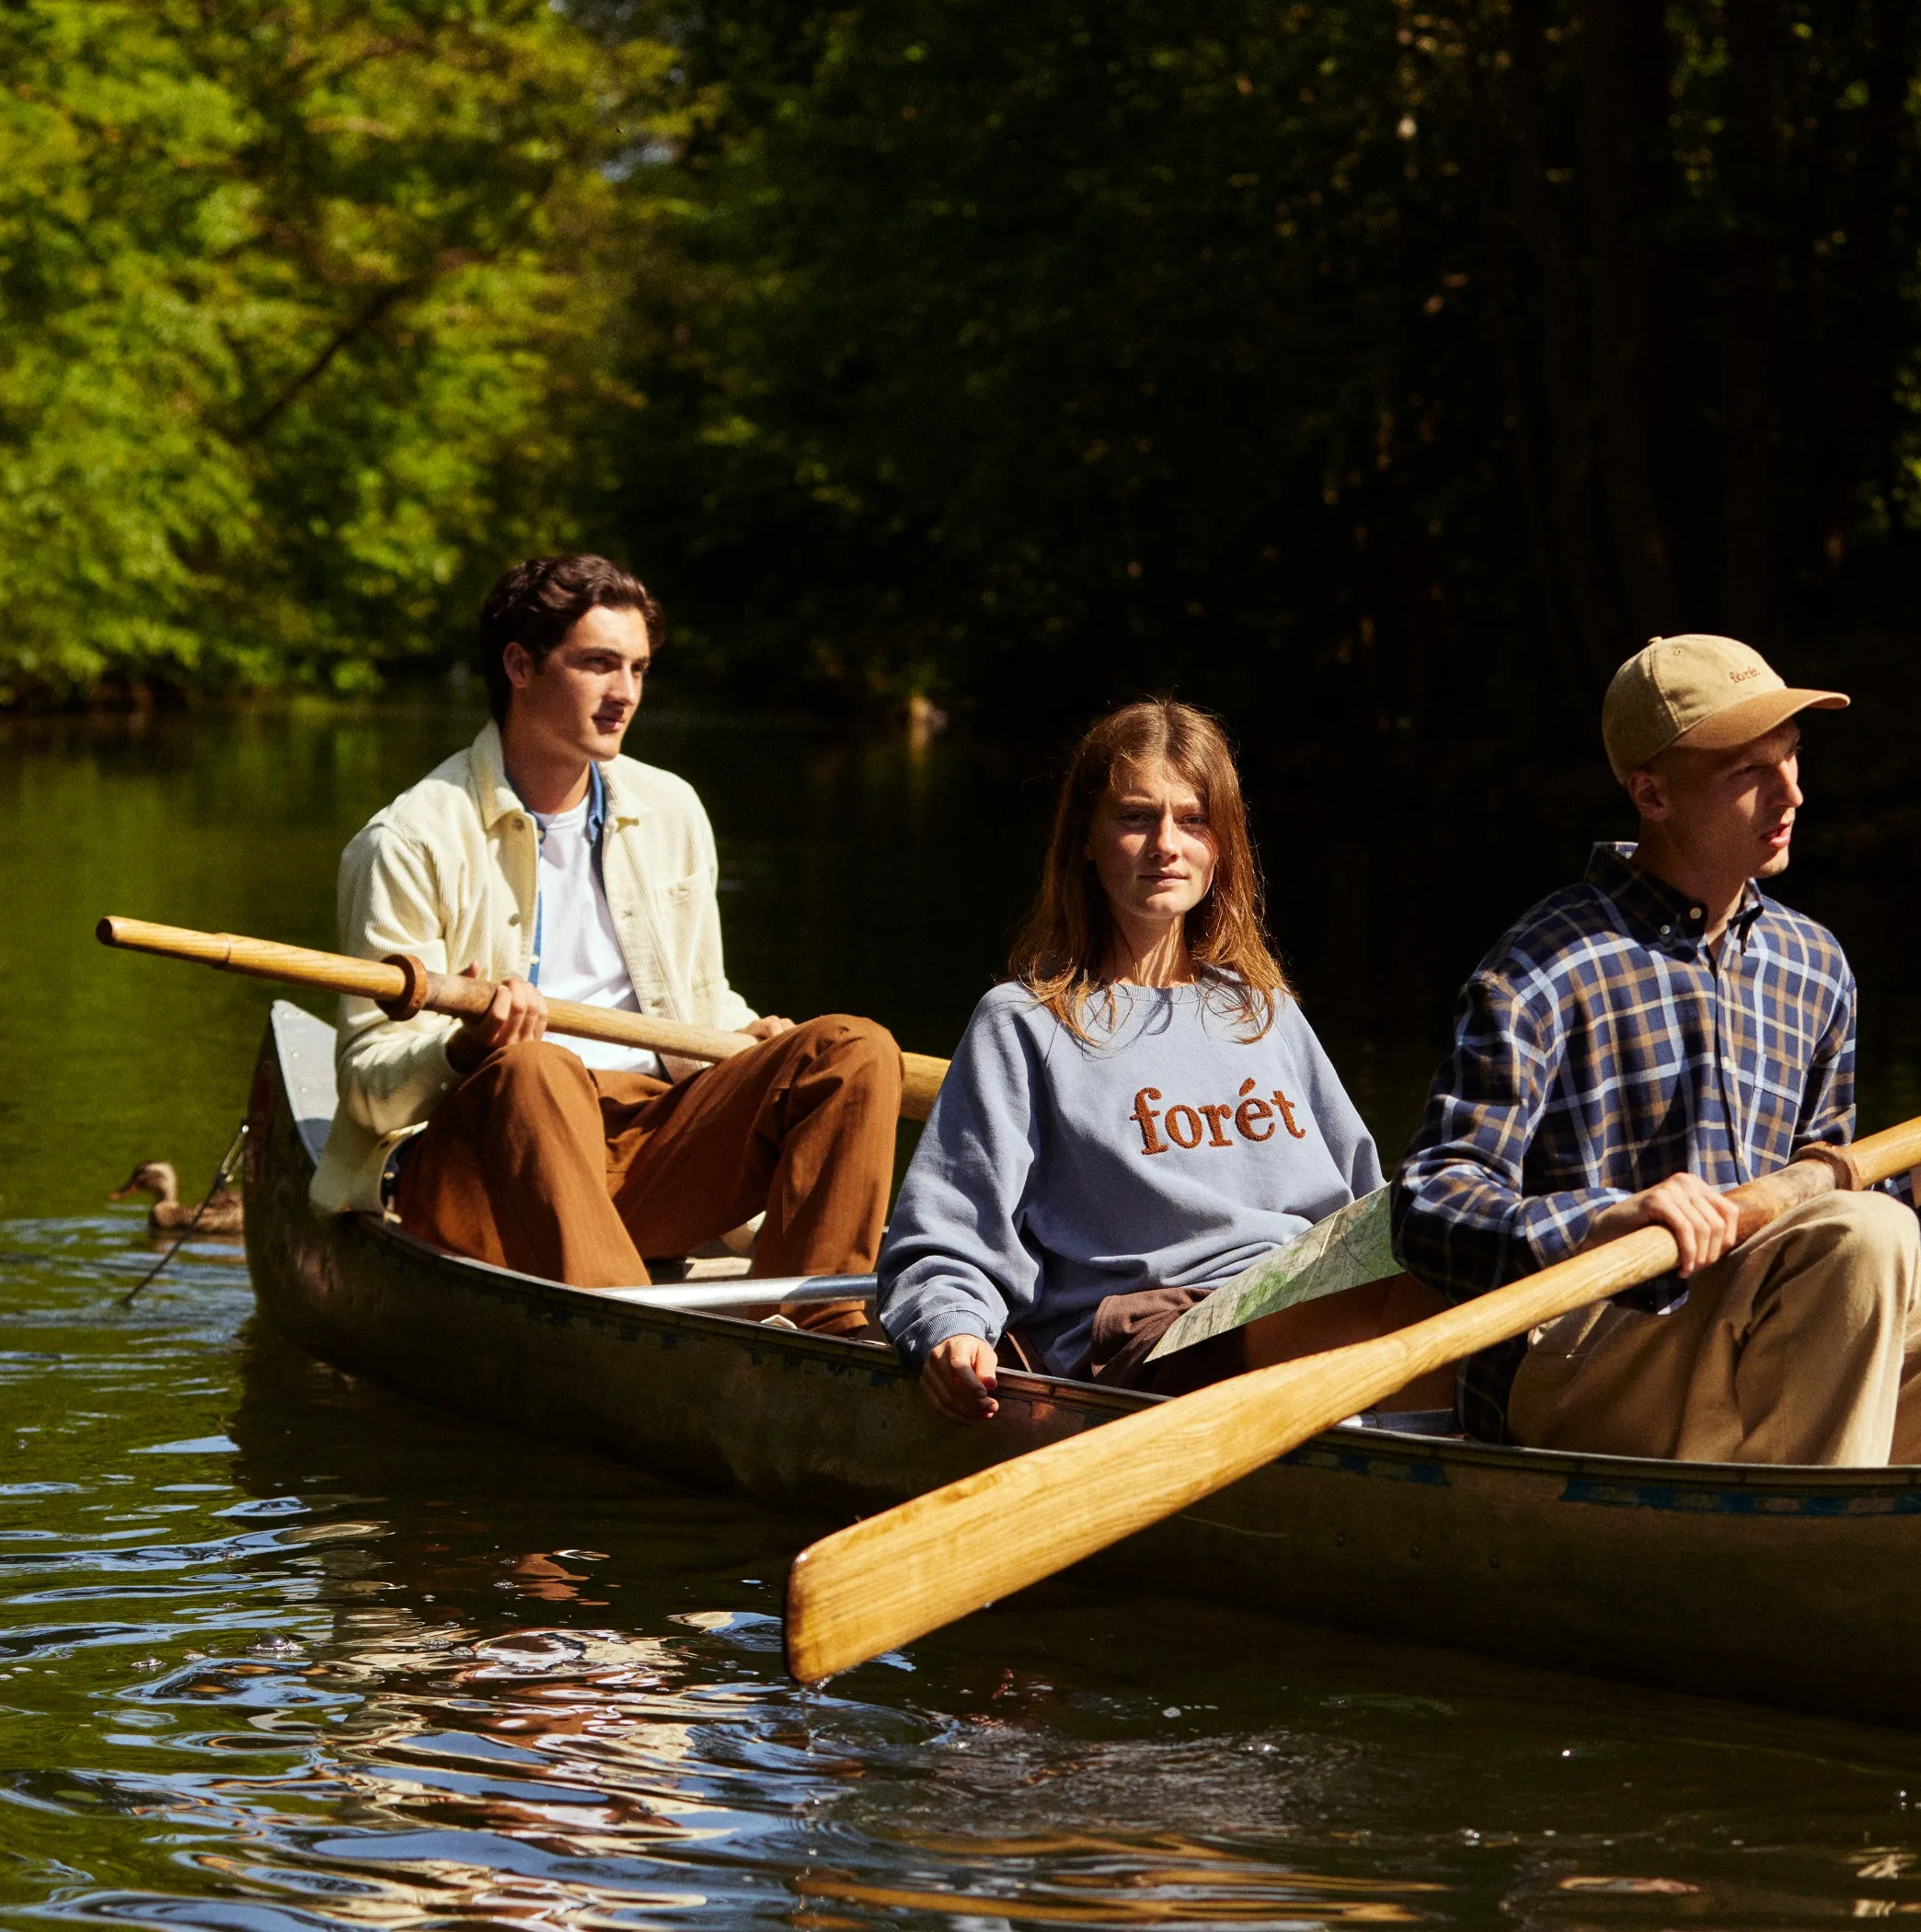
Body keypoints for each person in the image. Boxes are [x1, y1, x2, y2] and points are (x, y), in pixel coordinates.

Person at [1392, 633, 1921, 1465]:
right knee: (1861, 1235)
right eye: (1748, 771)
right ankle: (1816, 1554)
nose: (1791, 792)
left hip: (1777, 1362)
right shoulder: (1539, 967)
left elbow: (1836, 1232)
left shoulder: (1813, 964)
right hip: (1590, 1361)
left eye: (1792, 757)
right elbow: (1431, 1206)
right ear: (1651, 791)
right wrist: (1610, 1217)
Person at [312, 553, 900, 1322]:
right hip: (484, 1162)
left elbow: (700, 996)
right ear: (519, 665)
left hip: (645, 1139)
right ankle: (631, 1338)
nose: (624, 694)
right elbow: (364, 1084)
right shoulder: (408, 840)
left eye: (638, 668)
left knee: (855, 1049)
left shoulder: (672, 808)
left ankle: (813, 1327)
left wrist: (743, 1035)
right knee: (536, 1068)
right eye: (597, 664)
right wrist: (465, 1048)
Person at [880, 697, 1431, 1418]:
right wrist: (950, 1329)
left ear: (1221, 843)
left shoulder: (1264, 1010)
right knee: (1415, 1278)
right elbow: (946, 1232)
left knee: (1454, 1248)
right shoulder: (1024, 1024)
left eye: (1192, 819)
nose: (1166, 843)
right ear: (1085, 836)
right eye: (1136, 817)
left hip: (1310, 1298)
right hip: (1152, 1336)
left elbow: (1365, 1207)